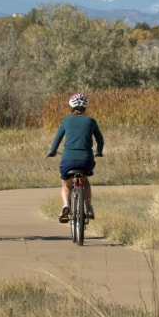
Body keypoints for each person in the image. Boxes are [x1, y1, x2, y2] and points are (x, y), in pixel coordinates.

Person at [47, 93, 104, 223]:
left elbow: (57, 141)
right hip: (86, 160)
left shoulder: (66, 121)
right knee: (84, 182)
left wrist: (52, 152)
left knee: (66, 184)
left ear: (71, 106)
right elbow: (100, 141)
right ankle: (89, 208)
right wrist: (98, 152)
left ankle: (66, 205)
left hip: (68, 159)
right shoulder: (91, 121)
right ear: (86, 106)